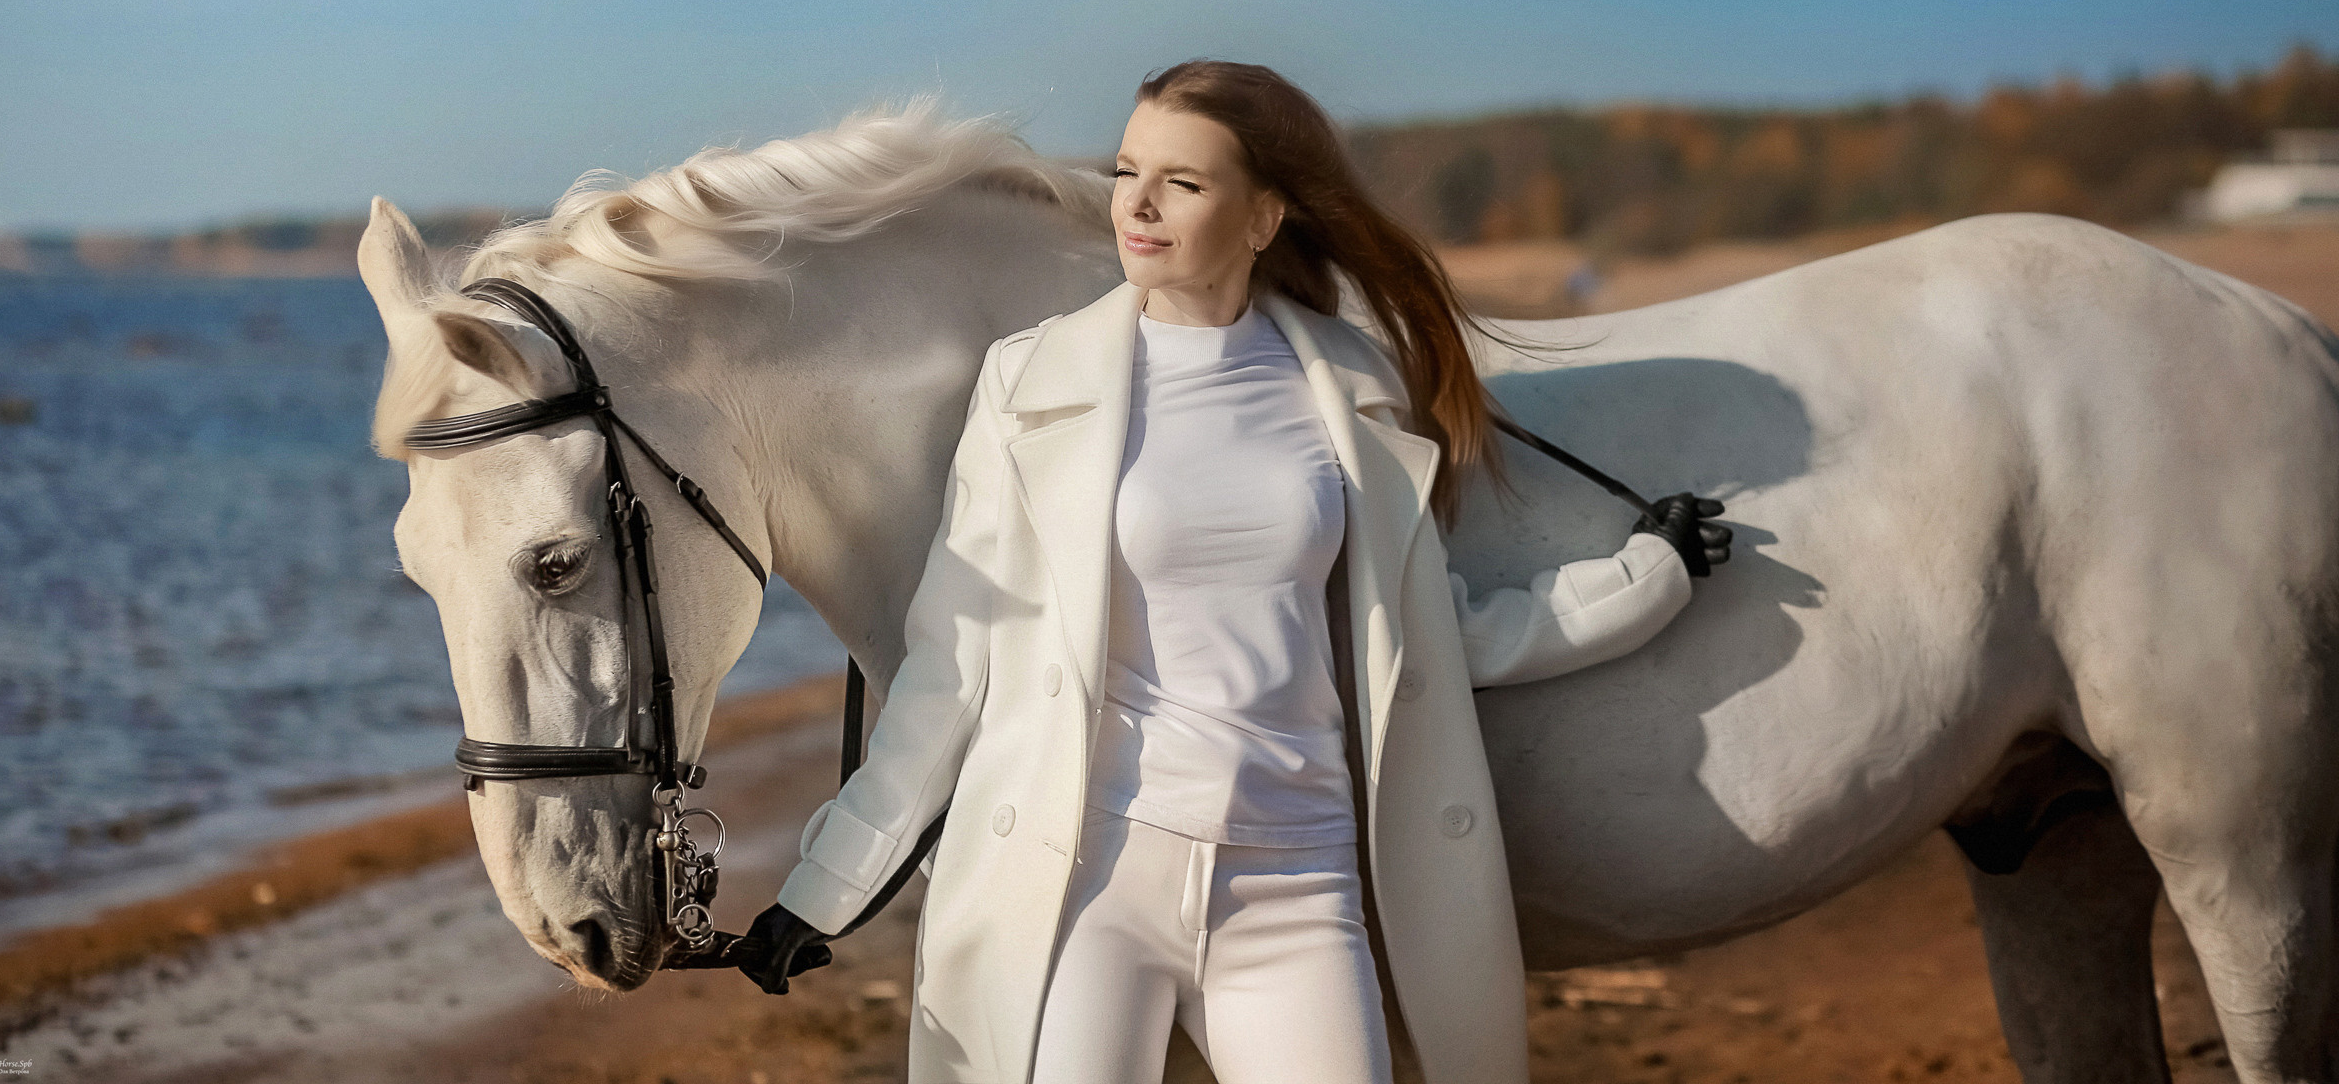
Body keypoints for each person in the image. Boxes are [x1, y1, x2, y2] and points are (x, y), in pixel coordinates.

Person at [737, 61, 1728, 1084]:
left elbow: (1437, 632)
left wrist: (1645, 576)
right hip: (1087, 882)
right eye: (1127, 171)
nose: (1139, 204)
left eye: (1185, 181)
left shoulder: (1349, 383)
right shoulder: (1030, 380)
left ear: (1263, 218)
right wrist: (826, 887)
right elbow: (953, 665)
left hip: (1296, 884)